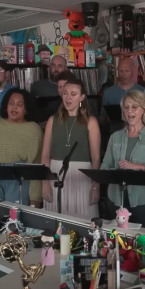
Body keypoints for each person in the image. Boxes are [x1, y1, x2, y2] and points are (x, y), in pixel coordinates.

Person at [101, 90, 145, 229]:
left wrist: (135, 166)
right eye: (126, 107)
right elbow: (105, 164)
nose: (130, 111)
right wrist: (108, 173)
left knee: (143, 239)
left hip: (144, 199)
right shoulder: (115, 137)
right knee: (116, 239)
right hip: (115, 197)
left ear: (144, 110)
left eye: (134, 107)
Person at [0, 88, 43, 207]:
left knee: (15, 221)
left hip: (19, 180)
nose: (14, 107)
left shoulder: (34, 130)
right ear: (6, 106)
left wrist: (35, 198)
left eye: (19, 104)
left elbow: (37, 165)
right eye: (11, 103)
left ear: (26, 109)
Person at [41, 79, 100, 218]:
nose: (68, 97)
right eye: (65, 93)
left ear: (82, 97)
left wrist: (96, 185)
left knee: (82, 221)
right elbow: (45, 154)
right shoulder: (52, 120)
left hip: (82, 177)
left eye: (73, 94)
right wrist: (44, 182)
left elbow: (96, 157)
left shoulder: (90, 122)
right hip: (56, 174)